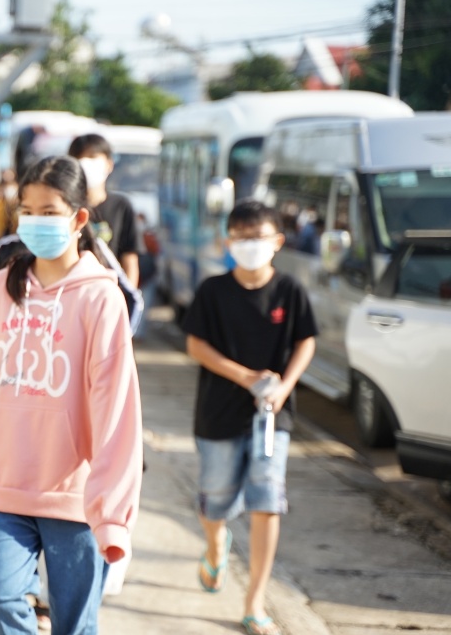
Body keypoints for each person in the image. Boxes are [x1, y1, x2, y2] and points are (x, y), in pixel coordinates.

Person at [0, 155, 144, 635]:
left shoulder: (101, 298)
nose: (35, 222)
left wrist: (112, 512)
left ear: (79, 218)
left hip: (75, 498)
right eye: (27, 210)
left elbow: (116, 411)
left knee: (74, 625)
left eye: (49, 212)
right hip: (2, 485)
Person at [181, 200, 317, 635]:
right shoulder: (213, 291)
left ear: (277, 241)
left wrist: (284, 386)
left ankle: (255, 602)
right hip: (218, 413)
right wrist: (246, 377)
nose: (248, 245)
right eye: (240, 237)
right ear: (227, 242)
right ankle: (216, 545)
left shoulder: (290, 291)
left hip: (272, 419)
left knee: (267, 502)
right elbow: (196, 345)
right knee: (214, 499)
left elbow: (306, 341)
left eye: (257, 237)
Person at [67, 134, 139, 289]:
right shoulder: (65, 207)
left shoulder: (121, 206)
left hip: (109, 290)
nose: (85, 163)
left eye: (92, 157)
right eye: (79, 158)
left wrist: (127, 296)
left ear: (109, 164)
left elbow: (130, 258)